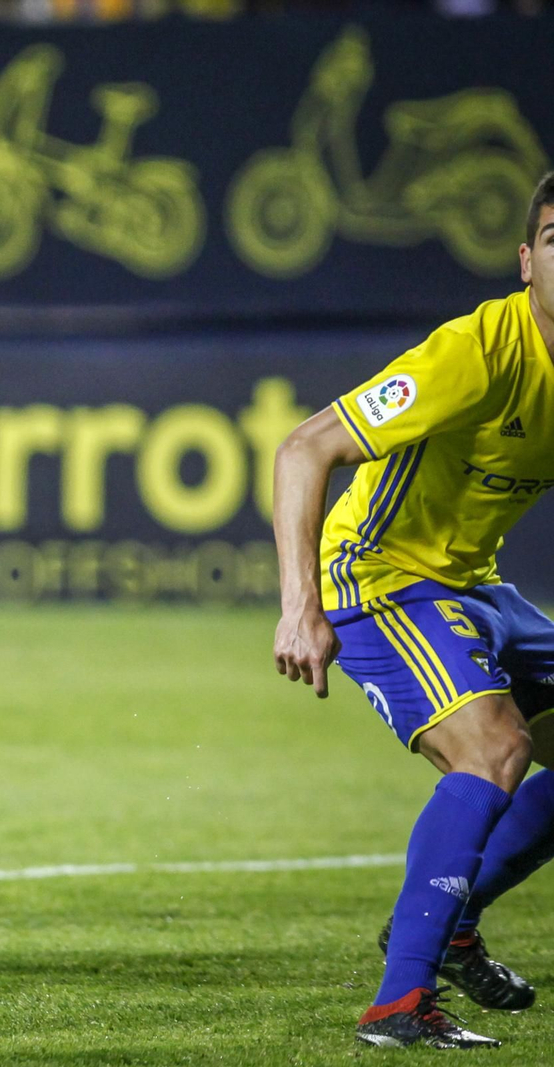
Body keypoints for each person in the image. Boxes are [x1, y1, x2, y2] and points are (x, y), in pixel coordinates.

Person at [273, 171, 554, 1049]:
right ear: (526, 261)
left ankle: (451, 919)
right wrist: (299, 607)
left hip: (476, 584)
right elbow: (303, 447)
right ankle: (401, 1002)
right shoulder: (477, 349)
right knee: (496, 743)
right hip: (377, 576)